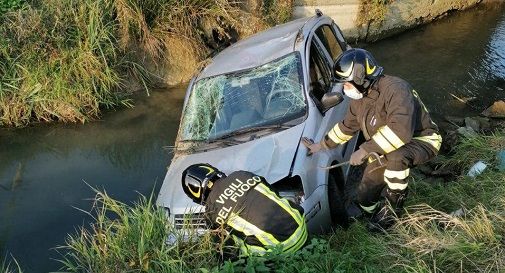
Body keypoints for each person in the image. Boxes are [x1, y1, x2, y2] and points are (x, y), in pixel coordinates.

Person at [303, 48, 442, 230]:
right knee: (366, 192)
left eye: (347, 84)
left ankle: (392, 212)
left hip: (422, 140)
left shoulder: (396, 89)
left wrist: (366, 149)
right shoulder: (360, 98)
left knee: (396, 156)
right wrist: (321, 145)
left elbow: (400, 131)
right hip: (385, 146)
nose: (344, 89)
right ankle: (370, 211)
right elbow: (348, 126)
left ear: (361, 78)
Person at [181, 163, 307, 256]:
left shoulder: (211, 212)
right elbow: (272, 191)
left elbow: (221, 246)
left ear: (196, 196)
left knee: (231, 242)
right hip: (301, 225)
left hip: (282, 248)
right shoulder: (241, 174)